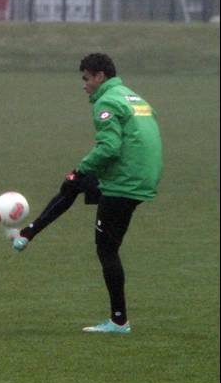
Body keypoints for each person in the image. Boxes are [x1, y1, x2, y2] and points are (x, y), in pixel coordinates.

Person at [12, 53, 163, 334]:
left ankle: (119, 321)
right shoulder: (132, 97)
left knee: (106, 249)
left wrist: (81, 168)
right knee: (73, 184)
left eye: (86, 79)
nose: (84, 85)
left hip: (124, 180)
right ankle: (28, 233)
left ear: (100, 76)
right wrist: (80, 174)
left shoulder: (107, 102)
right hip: (141, 174)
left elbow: (109, 148)